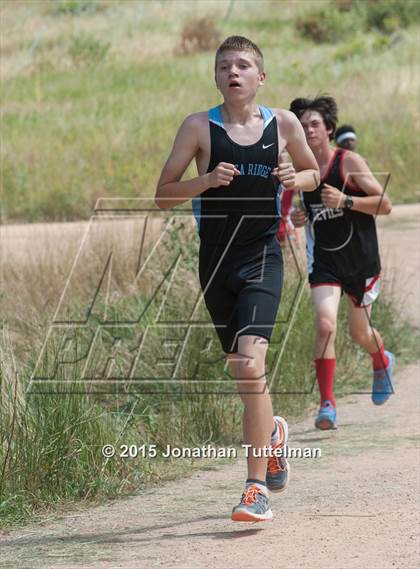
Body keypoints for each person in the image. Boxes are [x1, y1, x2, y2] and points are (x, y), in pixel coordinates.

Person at [155, 36, 319, 522]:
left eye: (243, 65)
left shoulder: (283, 124)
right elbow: (163, 194)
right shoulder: (198, 128)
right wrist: (203, 181)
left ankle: (255, 490)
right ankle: (272, 438)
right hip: (216, 264)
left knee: (250, 368)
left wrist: (296, 179)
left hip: (263, 257)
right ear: (216, 77)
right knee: (244, 376)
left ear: (260, 78)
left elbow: (314, 174)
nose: (234, 71)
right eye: (224, 65)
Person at [289, 96, 395, 430]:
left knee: (360, 332)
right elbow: (299, 213)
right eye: (302, 125)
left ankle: (381, 361)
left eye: (314, 124)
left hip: (360, 261)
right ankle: (327, 405)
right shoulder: (301, 172)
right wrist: (299, 215)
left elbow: (385, 203)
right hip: (325, 262)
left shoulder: (348, 162)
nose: (308, 130)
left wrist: (346, 199)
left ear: (329, 129)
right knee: (325, 325)